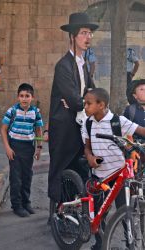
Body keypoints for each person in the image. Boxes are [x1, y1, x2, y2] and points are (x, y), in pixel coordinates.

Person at [82, 87, 145, 249]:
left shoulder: (117, 121)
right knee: (98, 214)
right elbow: (87, 147)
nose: (85, 106)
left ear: (101, 105)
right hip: (99, 176)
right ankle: (100, 243)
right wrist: (90, 158)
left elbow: (140, 130)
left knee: (125, 214)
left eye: (88, 103)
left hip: (119, 177)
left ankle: (130, 243)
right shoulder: (88, 123)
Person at [48, 12, 98, 203]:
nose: (88, 37)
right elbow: (75, 100)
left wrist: (82, 99)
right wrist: (80, 100)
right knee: (61, 169)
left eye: (90, 33)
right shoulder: (63, 66)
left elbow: (91, 94)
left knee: (79, 169)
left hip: (78, 125)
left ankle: (73, 211)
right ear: (72, 36)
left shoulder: (83, 63)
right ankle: (57, 214)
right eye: (84, 33)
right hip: (63, 128)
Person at [1, 83, 43, 217]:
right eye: (21, 96)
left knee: (27, 176)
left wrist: (39, 148)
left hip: (28, 148)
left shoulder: (35, 112)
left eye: (27, 96)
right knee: (16, 178)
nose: (24, 99)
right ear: (18, 97)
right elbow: (3, 129)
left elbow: (38, 129)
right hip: (14, 148)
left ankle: (26, 202)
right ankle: (17, 205)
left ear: (32, 97)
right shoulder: (12, 111)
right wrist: (7, 148)